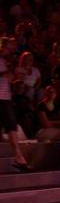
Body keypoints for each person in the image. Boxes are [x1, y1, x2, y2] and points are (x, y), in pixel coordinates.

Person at [0, 39, 32, 170]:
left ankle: (19, 158)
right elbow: (7, 76)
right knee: (11, 127)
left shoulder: (5, 61)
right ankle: (19, 158)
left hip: (5, 98)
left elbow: (11, 78)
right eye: (9, 47)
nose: (11, 50)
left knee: (11, 127)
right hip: (1, 99)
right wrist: (6, 73)